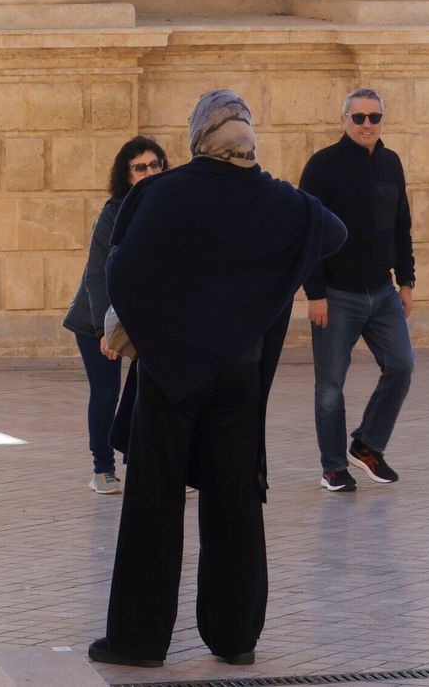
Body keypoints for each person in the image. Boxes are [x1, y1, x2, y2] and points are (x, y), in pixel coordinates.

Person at [88, 89, 345, 670]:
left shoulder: (162, 191)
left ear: (197, 136)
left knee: (154, 504)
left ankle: (138, 641)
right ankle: (235, 640)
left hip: (170, 372)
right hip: (238, 372)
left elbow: (122, 266)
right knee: (235, 504)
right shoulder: (281, 201)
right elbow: (333, 235)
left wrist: (161, 320)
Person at [298, 87, 416, 492]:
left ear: (383, 120)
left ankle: (366, 445)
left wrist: (406, 281)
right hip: (336, 294)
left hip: (382, 292)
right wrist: (314, 292)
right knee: (330, 386)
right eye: (359, 117)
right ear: (343, 120)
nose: (367, 124)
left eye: (374, 117)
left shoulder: (391, 163)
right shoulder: (322, 165)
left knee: (402, 366)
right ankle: (333, 467)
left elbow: (401, 225)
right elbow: (308, 233)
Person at [62, 136, 167, 494]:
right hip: (97, 317)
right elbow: (97, 273)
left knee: (148, 394)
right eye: (141, 167)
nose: (150, 172)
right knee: (106, 392)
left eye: (155, 165)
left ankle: (144, 465)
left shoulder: (168, 207)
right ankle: (102, 468)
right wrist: (104, 329)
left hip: (144, 317)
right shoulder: (114, 212)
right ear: (126, 175)